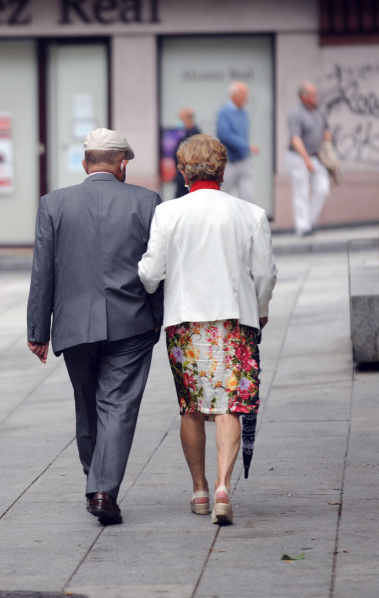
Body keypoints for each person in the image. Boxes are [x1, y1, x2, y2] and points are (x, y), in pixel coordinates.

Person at [138, 134, 276, 525]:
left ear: (183, 171)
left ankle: (199, 488)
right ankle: (222, 487)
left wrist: (144, 280)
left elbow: (151, 274)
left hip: (185, 322)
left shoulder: (168, 213)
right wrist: (261, 310)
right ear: (223, 168)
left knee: (193, 407)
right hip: (235, 322)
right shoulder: (250, 213)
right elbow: (265, 274)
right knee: (231, 405)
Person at [27, 128, 163, 526]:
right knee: (117, 405)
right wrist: (159, 317)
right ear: (123, 164)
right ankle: (102, 488)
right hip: (132, 321)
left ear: (86, 164)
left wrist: (38, 330)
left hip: (74, 325)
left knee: (87, 403)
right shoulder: (147, 201)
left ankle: (97, 481)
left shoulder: (53, 204)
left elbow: (42, 272)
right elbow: (158, 267)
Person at [287, 82, 331, 236]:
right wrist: (306, 159)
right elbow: (295, 138)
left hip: (317, 156)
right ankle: (303, 227)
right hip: (299, 157)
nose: (316, 97)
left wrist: (328, 148)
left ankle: (309, 221)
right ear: (304, 97)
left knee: (322, 189)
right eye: (313, 95)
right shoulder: (296, 114)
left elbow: (326, 130)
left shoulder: (318, 112)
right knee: (302, 191)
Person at [216, 81, 259, 204]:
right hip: (229, 163)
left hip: (244, 161)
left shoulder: (244, 112)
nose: (247, 98)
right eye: (244, 94)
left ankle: (248, 223)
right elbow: (225, 135)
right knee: (223, 196)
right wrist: (247, 146)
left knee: (248, 197)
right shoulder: (224, 112)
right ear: (234, 95)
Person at [173, 107, 202, 198]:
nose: (179, 122)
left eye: (181, 119)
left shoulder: (195, 136)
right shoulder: (186, 134)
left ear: (188, 119)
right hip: (183, 179)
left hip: (187, 181)